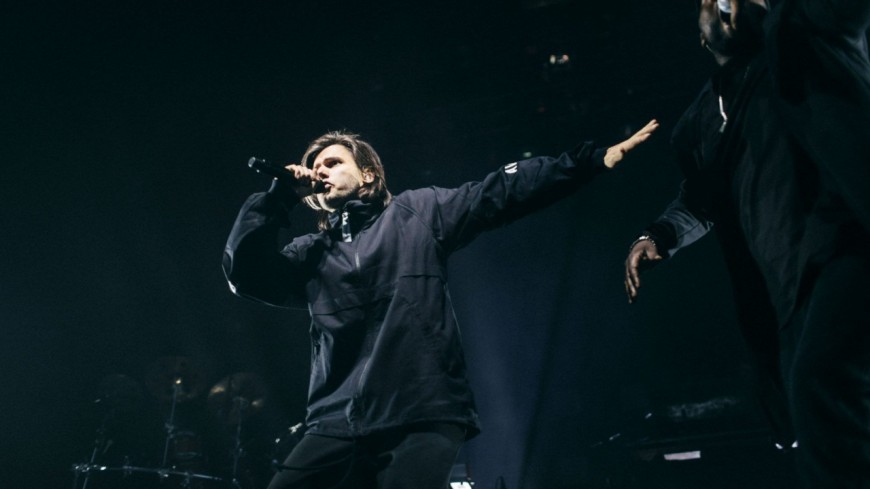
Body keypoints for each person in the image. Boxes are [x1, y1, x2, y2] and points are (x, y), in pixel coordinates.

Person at [223, 121, 658, 489]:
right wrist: (277, 197)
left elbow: (499, 191)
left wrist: (588, 161)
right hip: (336, 419)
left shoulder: (418, 212)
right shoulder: (310, 254)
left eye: (333, 162)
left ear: (368, 175)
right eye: (316, 167)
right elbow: (245, 274)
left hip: (420, 409)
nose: (321, 170)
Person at [624, 0, 870, 487]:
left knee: (824, 383)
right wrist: (659, 236)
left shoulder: (800, 38)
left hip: (848, 248)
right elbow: (700, 199)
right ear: (703, 37)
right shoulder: (698, 125)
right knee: (823, 420)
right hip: (790, 292)